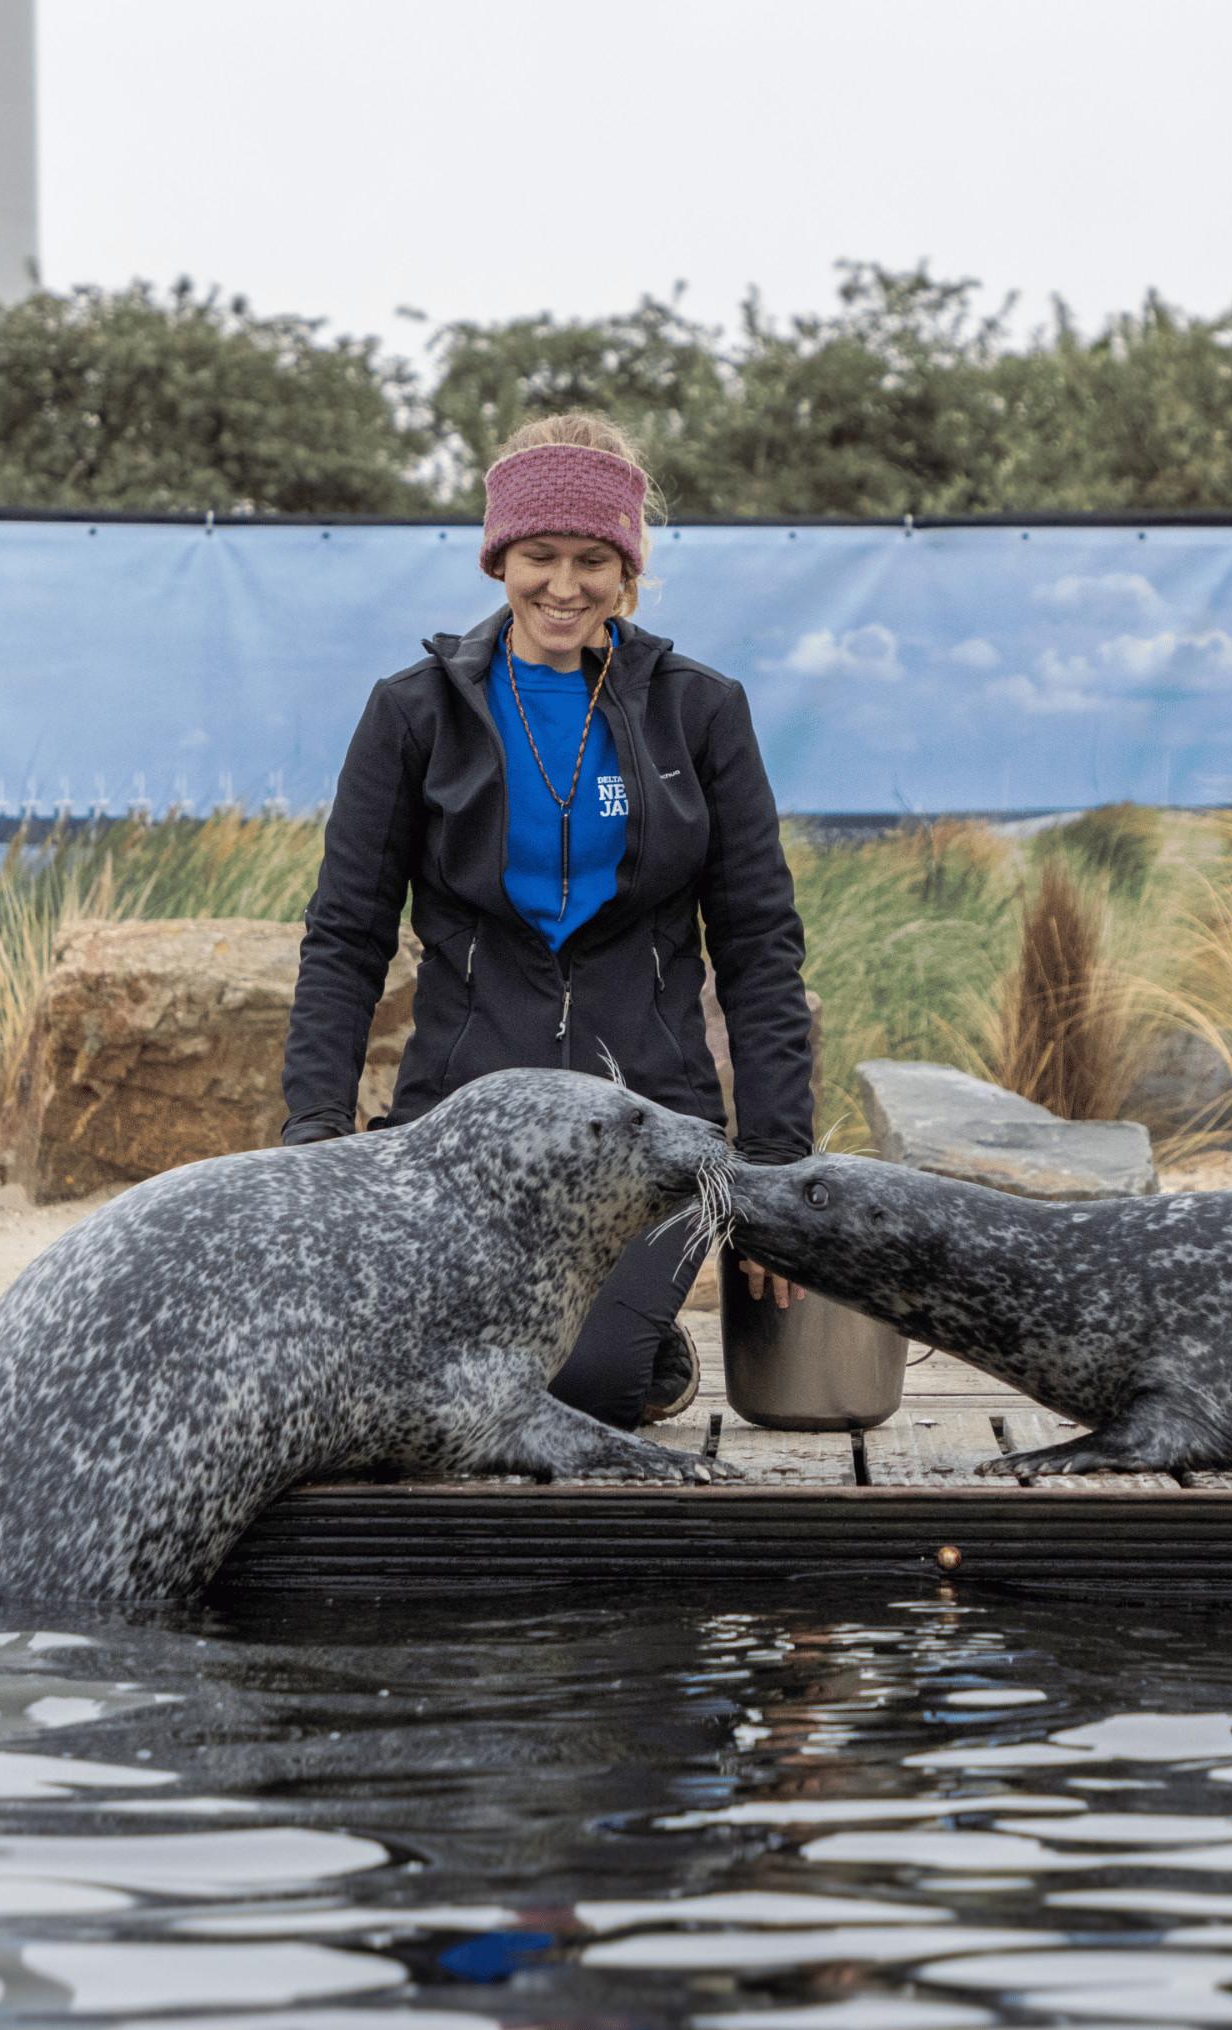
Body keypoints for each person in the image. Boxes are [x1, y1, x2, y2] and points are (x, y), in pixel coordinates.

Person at [279, 413, 814, 1427]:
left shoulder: (702, 711)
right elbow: (345, 937)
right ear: (499, 559)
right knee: (401, 1370)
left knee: (582, 1382)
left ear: (627, 566)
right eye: (539, 556)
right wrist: (314, 1133)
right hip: (456, 1128)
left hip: (648, 1131)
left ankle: (645, 1347)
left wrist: (779, 1163)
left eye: (591, 559)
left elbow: (758, 945)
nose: (563, 585)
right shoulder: (413, 713)